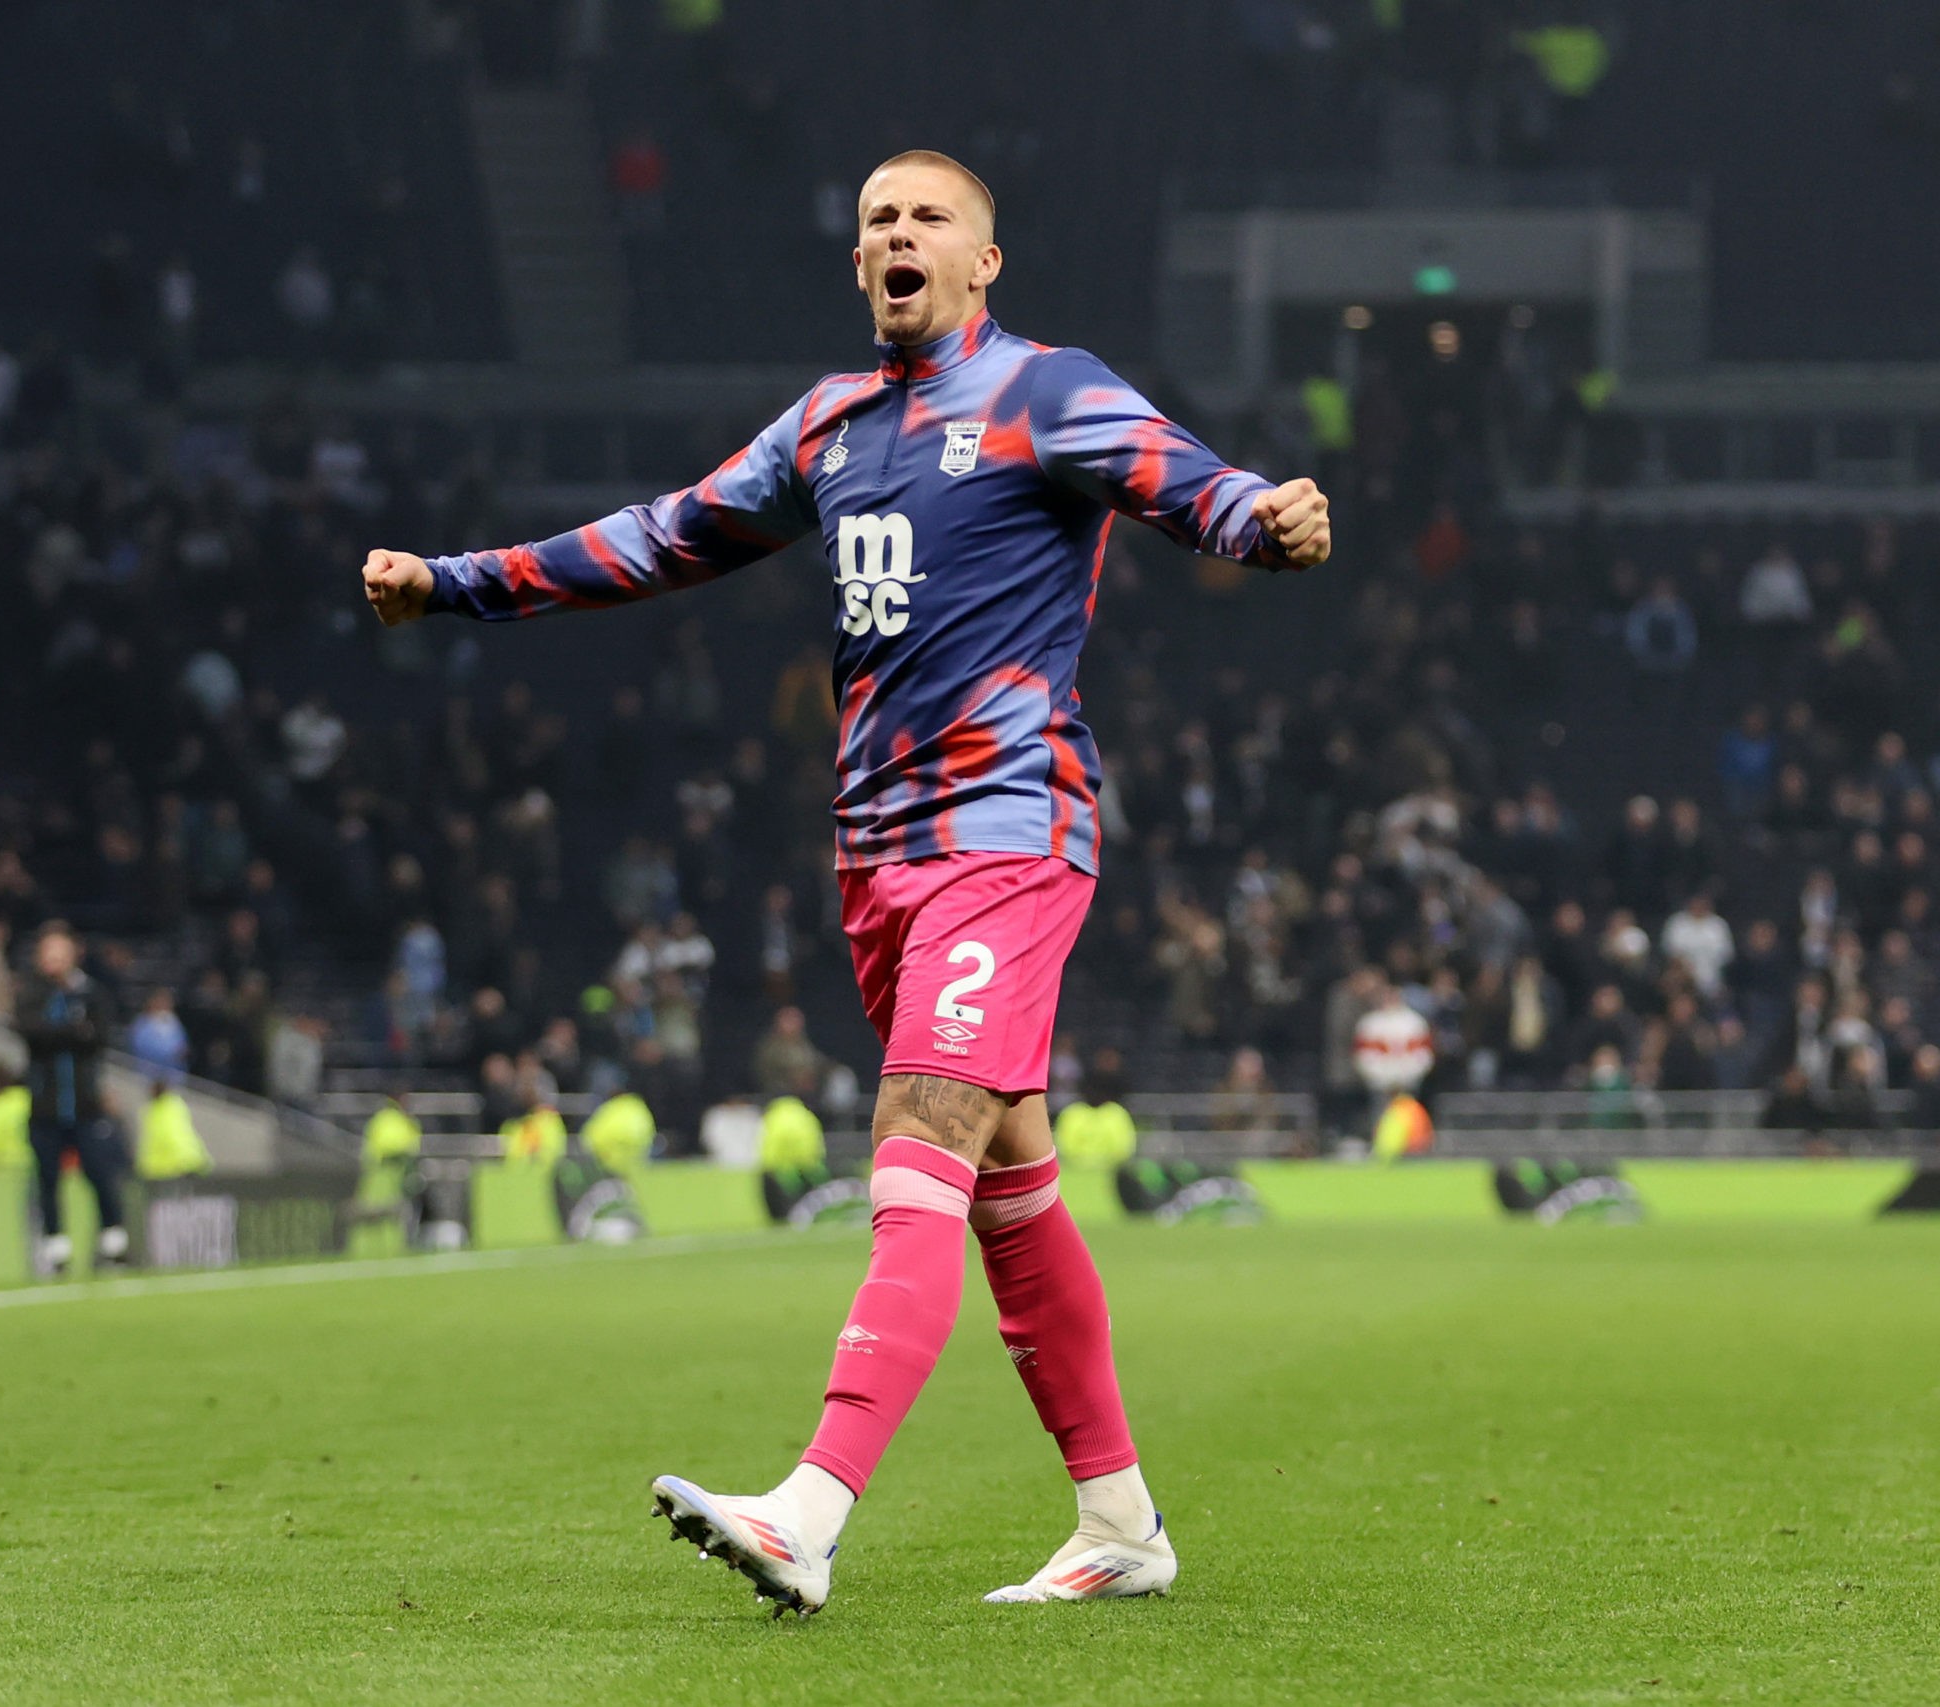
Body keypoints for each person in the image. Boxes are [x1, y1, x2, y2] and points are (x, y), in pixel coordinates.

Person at [362, 149, 1331, 1614]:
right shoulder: (831, 426)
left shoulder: (1042, 390)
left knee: (915, 1134)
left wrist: (1265, 517)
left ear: (983, 260)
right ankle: (1121, 1519)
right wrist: (457, 579)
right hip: (878, 855)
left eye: (928, 217)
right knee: (1011, 1181)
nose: (898, 233)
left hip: (1009, 829)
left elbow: (1184, 482)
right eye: (878, 217)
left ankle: (810, 1508)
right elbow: (664, 536)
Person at [14, 921, 130, 1270]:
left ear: (72, 954)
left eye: (60, 954)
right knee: (47, 1179)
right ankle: (55, 1250)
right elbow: (32, 1033)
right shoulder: (31, 993)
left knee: (99, 1173)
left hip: (86, 1106)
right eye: (48, 955)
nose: (54, 961)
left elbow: (99, 1037)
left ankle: (114, 1243)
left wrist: (63, 1034)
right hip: (45, 1108)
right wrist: (72, 1031)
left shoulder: (91, 993)